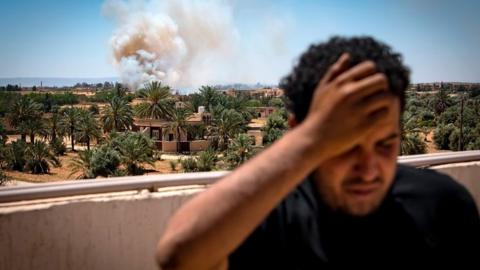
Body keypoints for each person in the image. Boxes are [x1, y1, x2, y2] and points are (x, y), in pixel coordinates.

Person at [156, 36, 480, 270]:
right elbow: (179, 257)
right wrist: (311, 138)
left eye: (385, 144)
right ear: (304, 135)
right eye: (343, 145)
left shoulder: (443, 205)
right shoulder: (267, 218)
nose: (369, 169)